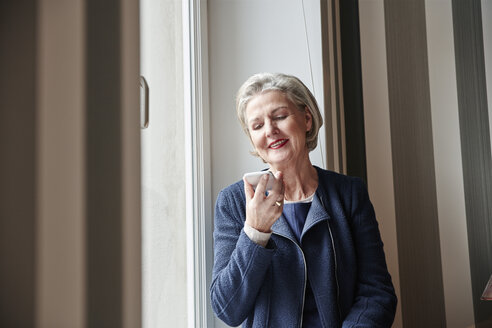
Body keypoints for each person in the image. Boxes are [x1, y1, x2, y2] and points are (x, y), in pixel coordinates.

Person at [210, 72, 397, 327]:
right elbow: (227, 309)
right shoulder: (233, 202)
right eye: (257, 126)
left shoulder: (349, 193)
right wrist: (255, 231)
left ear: (307, 119)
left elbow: (376, 292)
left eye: (280, 117)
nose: (270, 130)